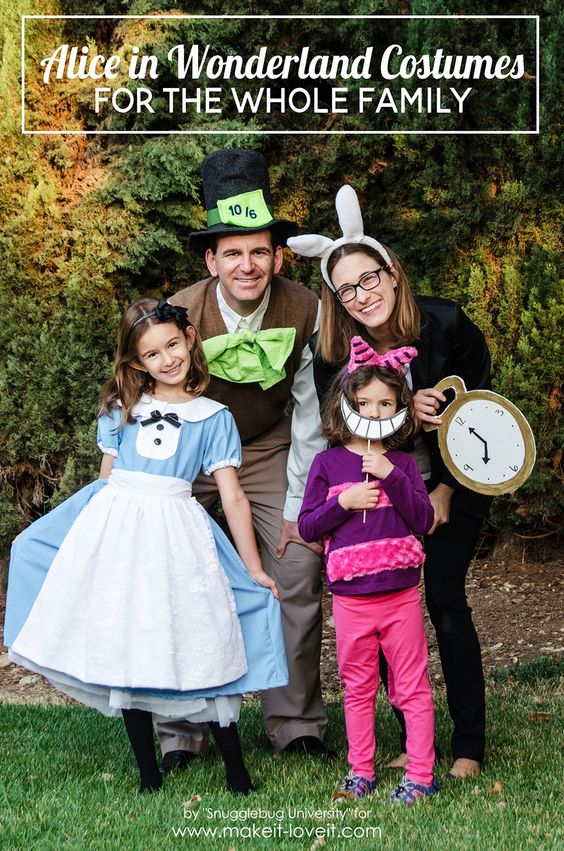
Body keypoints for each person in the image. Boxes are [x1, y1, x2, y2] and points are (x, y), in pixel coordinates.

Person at [4, 298, 287, 795]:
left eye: (173, 344)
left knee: (206, 631)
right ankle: (148, 774)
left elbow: (233, 496)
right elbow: (104, 485)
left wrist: (253, 568)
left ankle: (236, 772)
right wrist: (80, 547)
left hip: (180, 537)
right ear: (137, 363)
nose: (167, 359)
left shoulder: (214, 416)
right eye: (153, 354)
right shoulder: (121, 411)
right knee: (127, 638)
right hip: (120, 539)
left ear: (190, 339)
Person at [288, 185, 492, 780]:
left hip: (450, 483)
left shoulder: (447, 324)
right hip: (376, 495)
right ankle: (412, 738)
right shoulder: (333, 356)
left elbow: (484, 413)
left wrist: (446, 485)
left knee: (444, 598)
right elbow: (333, 438)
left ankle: (468, 746)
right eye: (346, 288)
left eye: (369, 278)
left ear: (393, 273)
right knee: (377, 603)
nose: (361, 295)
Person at [157, 147, 331, 768]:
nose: (247, 264)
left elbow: (311, 412)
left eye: (259, 250)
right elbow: (151, 407)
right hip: (189, 454)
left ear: (278, 255)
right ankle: (181, 730)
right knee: (182, 579)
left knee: (297, 571)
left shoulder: (307, 309)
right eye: (232, 251)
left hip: (266, 449)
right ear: (211, 259)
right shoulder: (177, 314)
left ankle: (295, 721)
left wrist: (294, 508)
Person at [298, 343, 440, 804]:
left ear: (400, 409)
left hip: (399, 597)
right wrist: (342, 503)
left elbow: (423, 520)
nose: (374, 412)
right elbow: (307, 525)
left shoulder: (401, 465)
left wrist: (390, 476)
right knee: (357, 689)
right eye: (364, 404)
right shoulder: (327, 463)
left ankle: (421, 773)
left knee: (411, 687)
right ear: (346, 406)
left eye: (385, 404)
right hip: (350, 600)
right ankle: (362, 770)